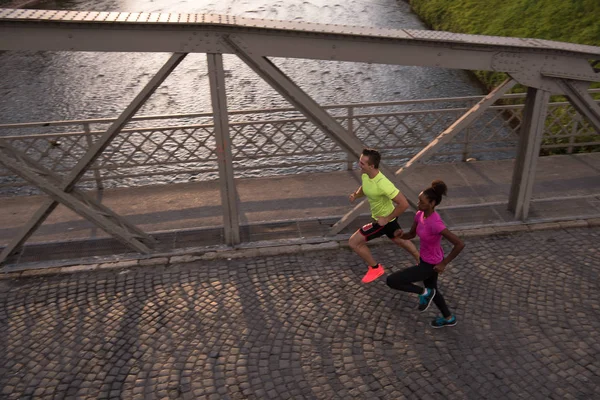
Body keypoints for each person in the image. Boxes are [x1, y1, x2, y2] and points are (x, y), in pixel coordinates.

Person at [386, 180, 465, 328]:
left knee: (392, 280)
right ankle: (448, 318)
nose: (418, 203)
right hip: (424, 259)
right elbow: (411, 235)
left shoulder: (436, 224)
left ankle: (424, 293)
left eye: (422, 202)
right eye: (418, 200)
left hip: (432, 264)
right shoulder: (420, 215)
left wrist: (444, 263)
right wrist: (400, 235)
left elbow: (459, 244)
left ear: (432, 203)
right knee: (433, 291)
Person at [348, 148, 420, 284]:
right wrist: (356, 195)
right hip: (385, 220)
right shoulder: (365, 174)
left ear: (372, 166)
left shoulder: (383, 184)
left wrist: (386, 219)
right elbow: (365, 187)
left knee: (354, 242)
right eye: (359, 161)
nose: (359, 165)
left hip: (383, 221)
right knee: (399, 240)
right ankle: (422, 261)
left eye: (362, 163)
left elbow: (404, 204)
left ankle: (375, 268)